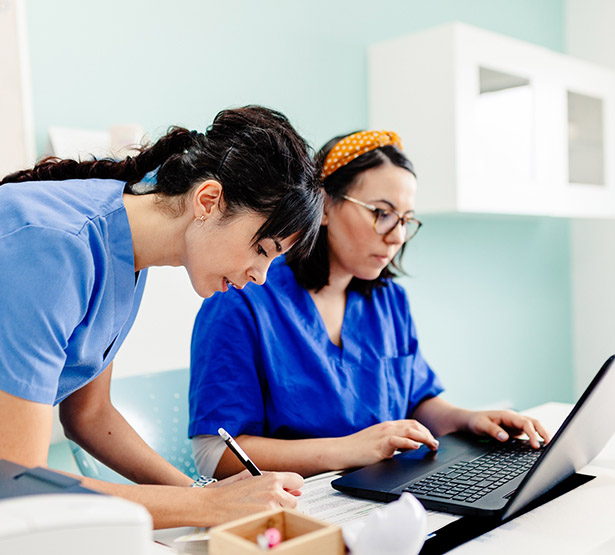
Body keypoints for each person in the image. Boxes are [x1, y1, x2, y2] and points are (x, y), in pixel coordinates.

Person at [0, 105, 324, 528]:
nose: (260, 277)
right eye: (262, 249)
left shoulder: (128, 252)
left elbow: (89, 415)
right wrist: (207, 507)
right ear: (208, 200)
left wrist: (205, 494)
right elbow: (16, 481)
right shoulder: (57, 248)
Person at [189, 130, 551, 479]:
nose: (396, 237)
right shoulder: (242, 296)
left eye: (405, 220)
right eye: (381, 212)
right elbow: (215, 454)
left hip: (387, 489)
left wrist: (468, 419)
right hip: (295, 507)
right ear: (325, 205)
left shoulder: (389, 301)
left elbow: (417, 402)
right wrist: (349, 449)